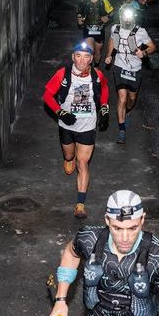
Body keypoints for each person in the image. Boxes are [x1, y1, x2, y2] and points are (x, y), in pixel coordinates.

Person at [43, 41, 110, 218]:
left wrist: (104, 108)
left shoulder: (97, 75)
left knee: (82, 163)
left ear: (91, 59)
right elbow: (47, 95)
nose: (82, 60)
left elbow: (104, 89)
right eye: (78, 55)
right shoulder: (63, 74)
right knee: (69, 156)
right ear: (73, 57)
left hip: (87, 125)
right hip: (67, 124)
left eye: (86, 56)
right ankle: (68, 157)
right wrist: (60, 112)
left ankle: (80, 205)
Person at [104, 5, 155, 144]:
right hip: (119, 67)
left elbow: (153, 47)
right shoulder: (115, 28)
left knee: (131, 100)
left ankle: (127, 111)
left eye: (130, 16)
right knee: (122, 97)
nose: (127, 18)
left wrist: (143, 52)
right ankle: (122, 130)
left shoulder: (140, 31)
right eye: (125, 16)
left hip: (134, 70)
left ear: (133, 17)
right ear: (121, 16)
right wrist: (109, 56)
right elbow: (112, 41)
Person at [77, 0, 114, 67]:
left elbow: (112, 13)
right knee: (89, 50)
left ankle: (96, 67)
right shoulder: (84, 1)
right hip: (88, 29)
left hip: (99, 29)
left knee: (97, 52)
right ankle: (88, 68)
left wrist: (107, 18)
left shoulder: (104, 1)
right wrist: (79, 18)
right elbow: (79, 11)